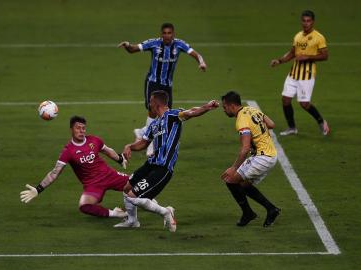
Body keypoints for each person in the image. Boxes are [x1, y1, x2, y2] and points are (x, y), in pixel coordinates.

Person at [114, 90, 219, 232]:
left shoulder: (172, 116)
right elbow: (144, 143)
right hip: (150, 164)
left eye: (150, 101)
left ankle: (166, 212)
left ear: (156, 103)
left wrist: (207, 107)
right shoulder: (154, 124)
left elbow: (191, 112)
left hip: (163, 168)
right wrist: (130, 146)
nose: (148, 104)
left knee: (133, 197)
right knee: (126, 188)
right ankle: (132, 221)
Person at [118, 22, 207, 155]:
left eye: (169, 33)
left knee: (165, 114)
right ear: (161, 34)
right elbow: (134, 49)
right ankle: (151, 144)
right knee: (153, 111)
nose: (167, 36)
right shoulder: (154, 43)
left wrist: (201, 62)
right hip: (153, 82)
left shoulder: (179, 44)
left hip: (167, 85)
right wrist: (127, 46)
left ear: (173, 34)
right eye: (164, 33)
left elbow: (196, 54)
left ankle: (142, 132)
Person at [20, 116, 129, 219]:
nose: (81, 131)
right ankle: (114, 213)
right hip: (93, 184)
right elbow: (54, 173)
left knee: (139, 183)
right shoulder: (68, 151)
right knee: (84, 206)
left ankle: (143, 203)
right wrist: (38, 189)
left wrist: (120, 159)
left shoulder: (94, 140)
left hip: (110, 175)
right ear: (71, 129)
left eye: (83, 128)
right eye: (78, 128)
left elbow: (107, 150)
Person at [220, 91, 280, 227]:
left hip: (262, 157)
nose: (224, 110)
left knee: (230, 179)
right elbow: (271, 124)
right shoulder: (252, 109)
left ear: (232, 105)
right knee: (243, 185)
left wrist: (233, 168)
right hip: (270, 154)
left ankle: (249, 213)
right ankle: (270, 209)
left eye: (224, 107)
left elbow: (245, 149)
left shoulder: (241, 120)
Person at [270, 10, 330, 136]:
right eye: (304, 21)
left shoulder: (319, 37)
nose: (306, 23)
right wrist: (279, 61)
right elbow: (292, 53)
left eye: (308, 21)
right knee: (285, 100)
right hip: (293, 74)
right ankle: (292, 128)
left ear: (313, 22)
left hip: (307, 76)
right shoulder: (298, 36)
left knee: (304, 104)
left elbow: (325, 56)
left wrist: (307, 57)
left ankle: (322, 122)